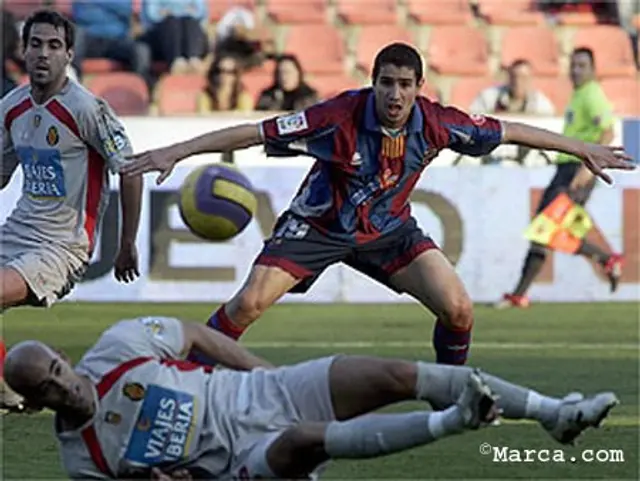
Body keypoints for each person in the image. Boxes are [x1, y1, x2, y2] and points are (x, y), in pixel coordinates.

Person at [121, 43, 634, 370]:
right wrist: (175, 151)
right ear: (374, 82)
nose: (394, 93)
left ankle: (450, 392)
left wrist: (582, 148)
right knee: (248, 304)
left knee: (458, 308)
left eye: (404, 85)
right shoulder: (336, 117)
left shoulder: (437, 123)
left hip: (389, 229)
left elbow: (509, 131)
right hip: (319, 224)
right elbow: (254, 131)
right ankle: (185, 377)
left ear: (418, 88)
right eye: (385, 82)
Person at [3, 315, 619, 479]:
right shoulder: (82, 462)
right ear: (35, 402)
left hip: (261, 390)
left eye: (57, 367)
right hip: (238, 465)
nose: (64, 383)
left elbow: (193, 334)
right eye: (48, 387)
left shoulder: (116, 348)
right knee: (303, 442)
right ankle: (458, 422)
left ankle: (553, 415)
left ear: (63, 355)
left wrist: (263, 368)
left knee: (392, 374)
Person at [0, 10, 143, 409]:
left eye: (54, 45)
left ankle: (38, 384)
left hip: (62, 246)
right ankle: (17, 388)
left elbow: (131, 172)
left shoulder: (87, 109)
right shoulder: (11, 107)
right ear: (22, 52)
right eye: (35, 44)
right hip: (16, 232)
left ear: (69, 55)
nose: (44, 53)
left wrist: (126, 242)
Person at [498, 47, 624, 309]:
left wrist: (586, 170)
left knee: (545, 229)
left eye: (582, 65)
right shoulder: (578, 95)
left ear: (593, 70)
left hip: (575, 169)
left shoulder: (592, 95)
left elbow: (608, 132)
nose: (576, 70)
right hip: (565, 169)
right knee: (549, 230)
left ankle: (520, 294)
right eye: (573, 65)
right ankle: (605, 259)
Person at [255, 54, 319, 112]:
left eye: (288, 72)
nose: (284, 77)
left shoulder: (309, 96)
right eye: (280, 73)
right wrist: (276, 102)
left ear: (298, 73)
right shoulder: (268, 96)